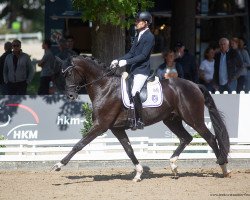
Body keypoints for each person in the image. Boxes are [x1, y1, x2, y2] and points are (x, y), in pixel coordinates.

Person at [110, 11, 155, 130]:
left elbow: (143, 56)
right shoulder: (138, 35)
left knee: (135, 91)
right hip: (134, 70)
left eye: (138, 21)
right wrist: (118, 60)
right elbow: (131, 53)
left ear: (145, 23)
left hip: (142, 71)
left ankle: (139, 120)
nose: (136, 23)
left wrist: (126, 62)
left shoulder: (150, 37)